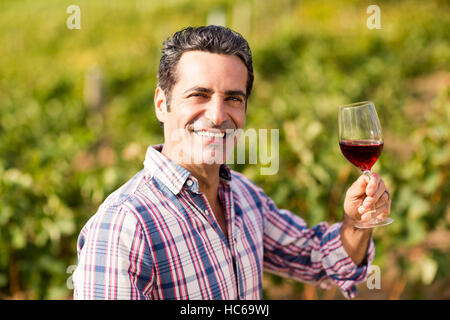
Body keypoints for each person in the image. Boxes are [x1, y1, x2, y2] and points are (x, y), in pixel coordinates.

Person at [73, 25, 391, 300]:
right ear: (161, 103)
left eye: (233, 99)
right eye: (199, 95)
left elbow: (318, 259)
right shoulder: (124, 226)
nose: (217, 115)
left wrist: (355, 223)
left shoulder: (243, 196)